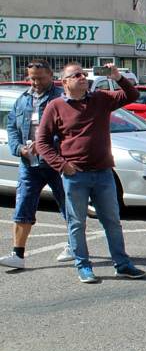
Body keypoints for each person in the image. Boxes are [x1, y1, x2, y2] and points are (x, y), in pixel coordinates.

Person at [36, 63, 146, 284]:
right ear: (64, 82)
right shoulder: (55, 106)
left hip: (104, 172)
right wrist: (61, 165)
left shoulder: (100, 99)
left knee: (112, 221)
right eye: (76, 75)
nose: (83, 77)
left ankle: (122, 264)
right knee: (77, 223)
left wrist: (117, 77)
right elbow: (42, 142)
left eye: (84, 74)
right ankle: (83, 266)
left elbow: (132, 94)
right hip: (75, 175)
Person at [0, 60, 72, 269]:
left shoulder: (61, 99)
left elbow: (70, 129)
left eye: (40, 78)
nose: (35, 82)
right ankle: (17, 254)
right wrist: (19, 148)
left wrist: (48, 147)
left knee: (68, 205)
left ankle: (72, 245)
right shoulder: (22, 100)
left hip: (56, 162)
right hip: (29, 164)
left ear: (51, 75)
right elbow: (12, 126)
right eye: (32, 78)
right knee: (23, 205)